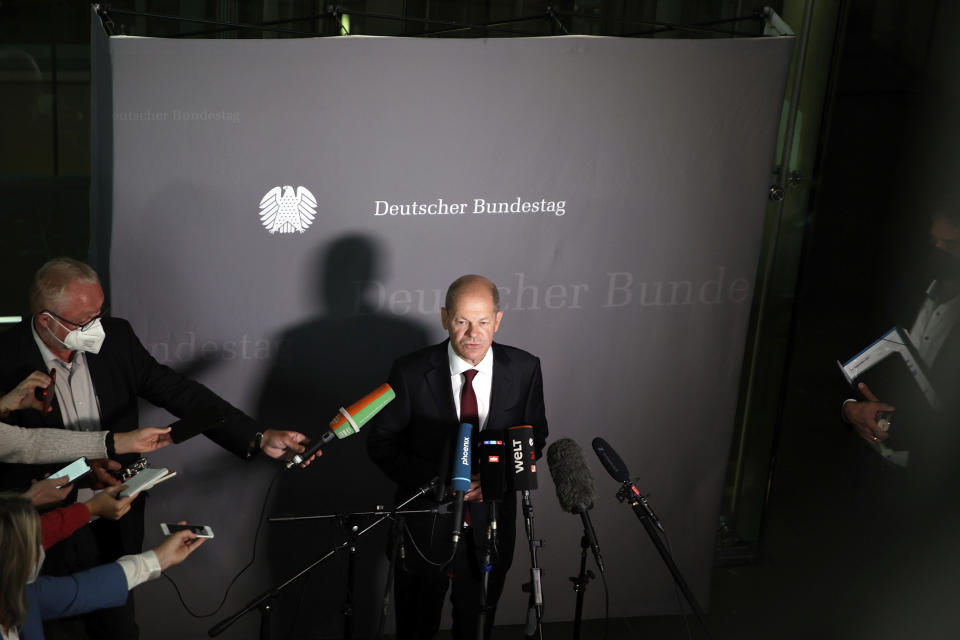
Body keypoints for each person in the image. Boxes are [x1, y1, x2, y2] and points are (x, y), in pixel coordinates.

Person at [0, 257, 316, 639]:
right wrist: (81, 466)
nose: (95, 328)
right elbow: (20, 446)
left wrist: (258, 436)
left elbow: (178, 391)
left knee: (117, 627)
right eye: (84, 321)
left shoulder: (115, 337)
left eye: (100, 313)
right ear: (46, 320)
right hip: (36, 531)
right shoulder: (6, 356)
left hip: (113, 522)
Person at [367, 274, 548, 640]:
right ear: (445, 317)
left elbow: (535, 438)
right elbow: (382, 443)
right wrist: (441, 480)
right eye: (462, 321)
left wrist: (495, 482)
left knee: (476, 627)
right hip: (423, 527)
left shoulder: (524, 368)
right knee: (415, 628)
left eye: (483, 322)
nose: (473, 334)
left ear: (498, 320)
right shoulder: (410, 371)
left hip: (491, 525)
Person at [0, 492, 204, 640]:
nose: (42, 549)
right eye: (36, 543)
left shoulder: (23, 592)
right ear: (13, 562)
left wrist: (160, 558)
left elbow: (86, 589)